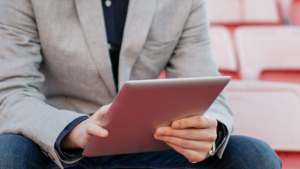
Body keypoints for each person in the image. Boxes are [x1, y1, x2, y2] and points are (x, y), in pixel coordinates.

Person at [0, 0, 281, 168]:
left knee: (253, 156)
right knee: (8, 152)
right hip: (58, 150)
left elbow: (206, 86)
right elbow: (11, 91)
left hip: (150, 147)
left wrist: (210, 131)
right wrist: (73, 131)